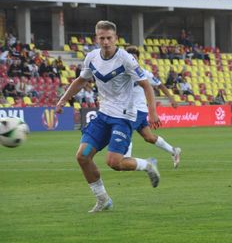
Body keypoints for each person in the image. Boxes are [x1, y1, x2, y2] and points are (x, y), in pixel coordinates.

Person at [55, 20, 161, 213]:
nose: (105, 42)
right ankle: (102, 199)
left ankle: (147, 165)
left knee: (114, 163)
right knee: (83, 156)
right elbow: (81, 80)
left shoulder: (126, 59)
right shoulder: (92, 57)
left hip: (123, 117)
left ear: (116, 38)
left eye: (109, 38)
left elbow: (146, 85)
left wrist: (153, 112)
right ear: (96, 38)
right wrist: (63, 100)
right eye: (101, 38)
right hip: (103, 115)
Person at [125, 46, 182, 168]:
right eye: (130, 58)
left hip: (138, 110)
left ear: (137, 60)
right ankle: (174, 151)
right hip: (129, 109)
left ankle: (126, 159)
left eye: (134, 58)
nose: (132, 60)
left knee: (126, 130)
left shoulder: (144, 73)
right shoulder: (123, 74)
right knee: (149, 137)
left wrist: (171, 99)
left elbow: (160, 85)